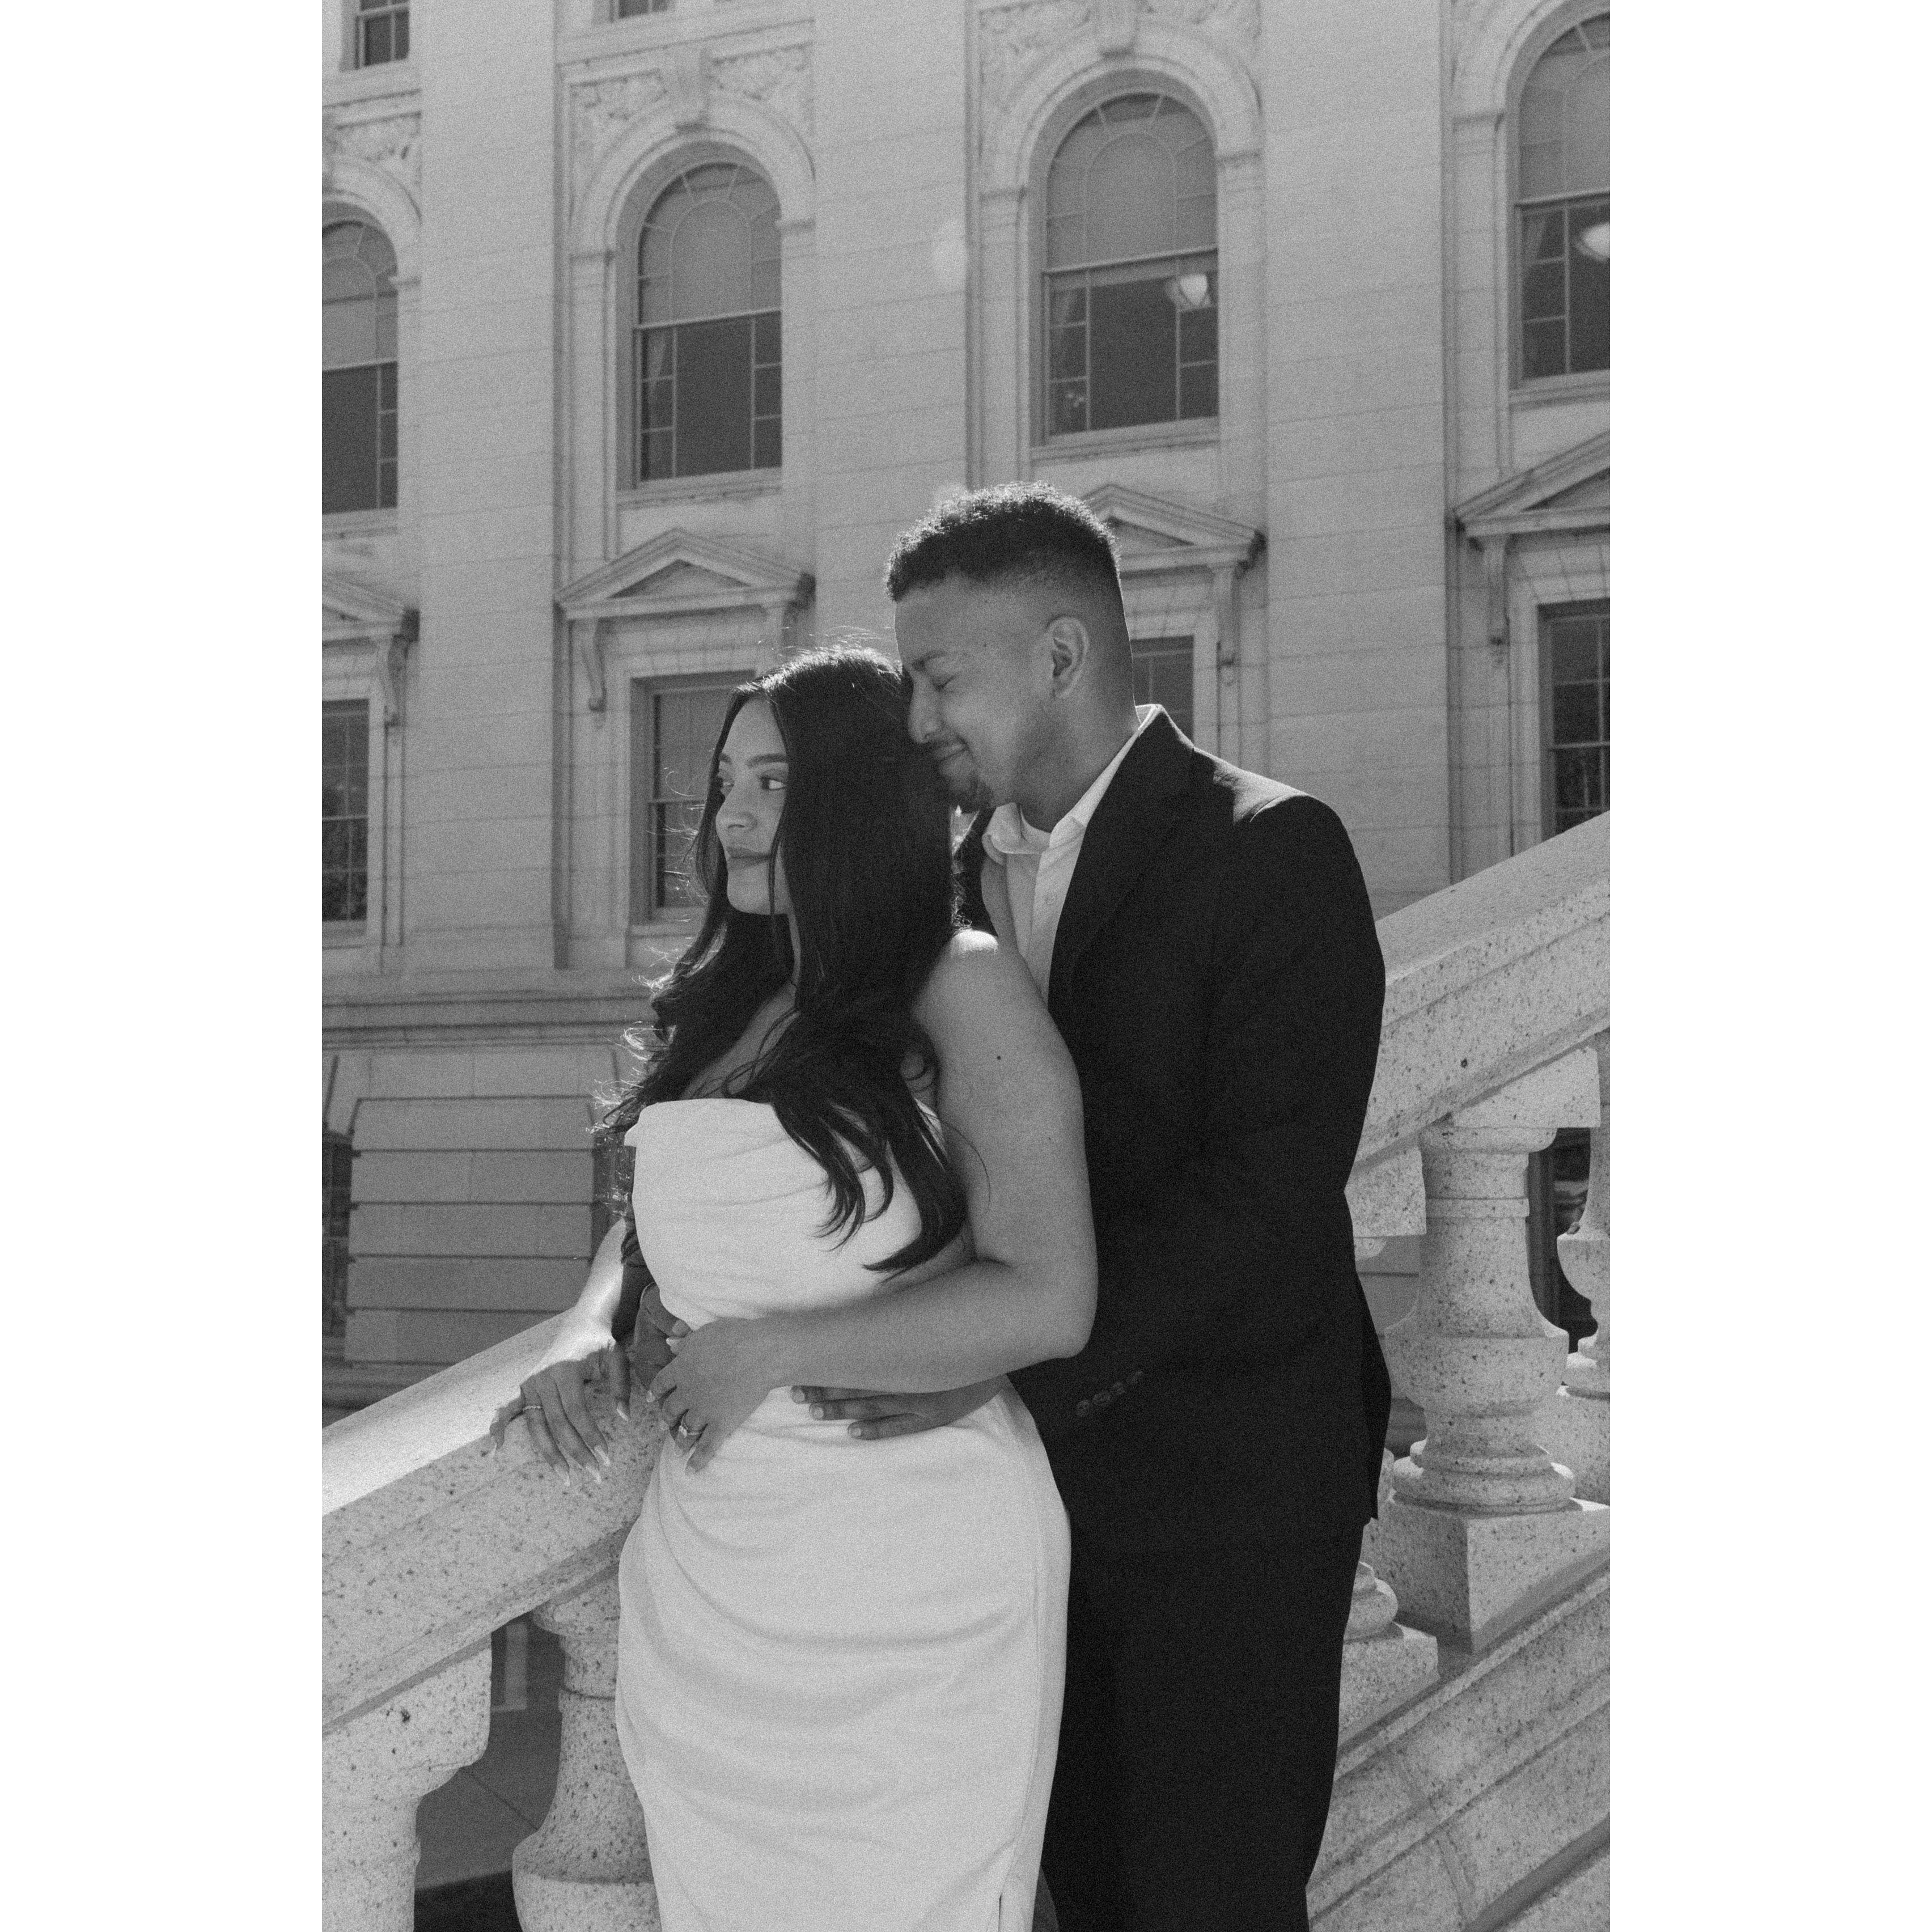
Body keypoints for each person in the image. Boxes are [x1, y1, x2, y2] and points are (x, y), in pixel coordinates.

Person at [761, 484, 1391, 1932]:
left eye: (940, 678)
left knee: (1209, 1908)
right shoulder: (936, 892)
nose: (917, 718)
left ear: (1060, 655)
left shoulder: (1273, 848)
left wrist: (1005, 1361)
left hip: (1225, 1501)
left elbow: (1266, 1196)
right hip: (1003, 1508)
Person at [490, 647, 1096, 1932]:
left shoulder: (961, 984)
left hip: (916, 1585)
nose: (733, 815)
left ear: (860, 800)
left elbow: (1051, 1297)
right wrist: (585, 1330)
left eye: (773, 781)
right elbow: (649, 1223)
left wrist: (769, 1351)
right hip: (715, 1587)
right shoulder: (723, 999)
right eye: (725, 783)